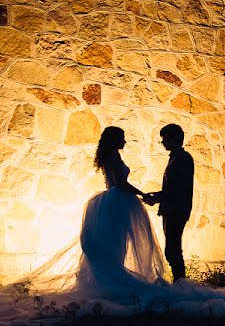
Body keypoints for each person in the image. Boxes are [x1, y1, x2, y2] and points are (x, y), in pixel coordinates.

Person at [76, 126, 165, 291]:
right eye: (122, 138)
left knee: (113, 243)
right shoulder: (113, 155)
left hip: (112, 200)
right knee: (118, 242)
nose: (124, 141)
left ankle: (109, 282)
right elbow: (121, 183)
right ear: (115, 139)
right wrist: (142, 194)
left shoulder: (108, 156)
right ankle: (115, 283)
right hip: (117, 200)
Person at [143, 123, 194, 281]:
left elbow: (178, 188)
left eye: (165, 139)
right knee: (172, 249)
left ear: (175, 139)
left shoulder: (183, 159)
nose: (163, 142)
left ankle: (180, 283)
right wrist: (157, 197)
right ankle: (179, 282)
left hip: (177, 210)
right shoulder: (176, 158)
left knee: (173, 250)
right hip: (171, 208)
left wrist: (157, 197)